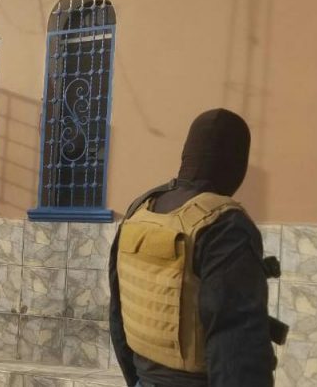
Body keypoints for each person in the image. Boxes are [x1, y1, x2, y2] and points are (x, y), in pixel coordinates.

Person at [109, 109, 286, 387]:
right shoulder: (225, 225)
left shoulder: (140, 210)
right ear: (237, 163)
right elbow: (236, 350)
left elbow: (117, 318)